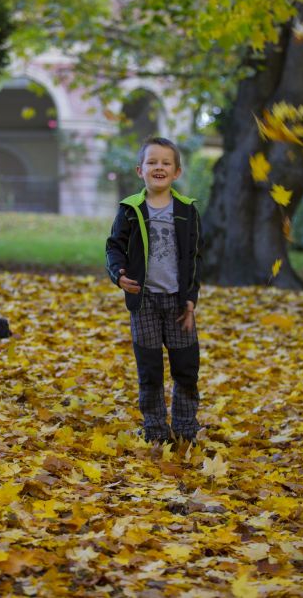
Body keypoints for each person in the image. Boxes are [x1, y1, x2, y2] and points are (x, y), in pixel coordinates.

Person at [106, 136, 202, 445]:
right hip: (143, 302)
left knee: (185, 368)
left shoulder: (187, 211)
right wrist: (118, 274)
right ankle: (156, 429)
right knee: (149, 370)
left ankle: (186, 428)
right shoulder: (130, 209)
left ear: (177, 172)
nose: (158, 167)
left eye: (165, 163)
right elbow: (114, 247)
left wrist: (190, 300)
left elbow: (194, 257)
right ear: (140, 170)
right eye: (152, 162)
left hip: (178, 304)